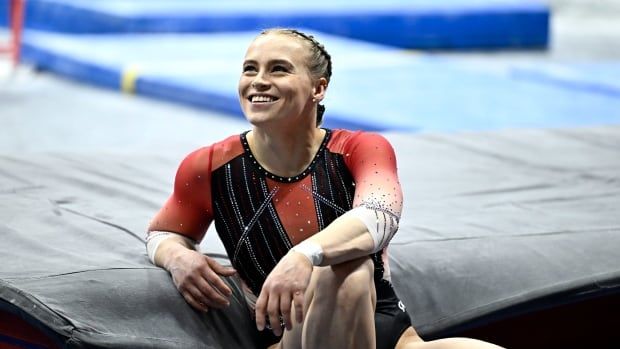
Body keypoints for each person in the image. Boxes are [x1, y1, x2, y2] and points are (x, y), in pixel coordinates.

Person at [146, 28, 504, 349]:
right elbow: (163, 232)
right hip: (289, 333)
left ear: (318, 87)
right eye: (250, 69)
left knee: (349, 272)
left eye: (278, 69)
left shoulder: (360, 148)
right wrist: (178, 257)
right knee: (346, 272)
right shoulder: (211, 166)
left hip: (384, 325)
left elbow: (380, 214)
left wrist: (303, 256)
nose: (258, 80)